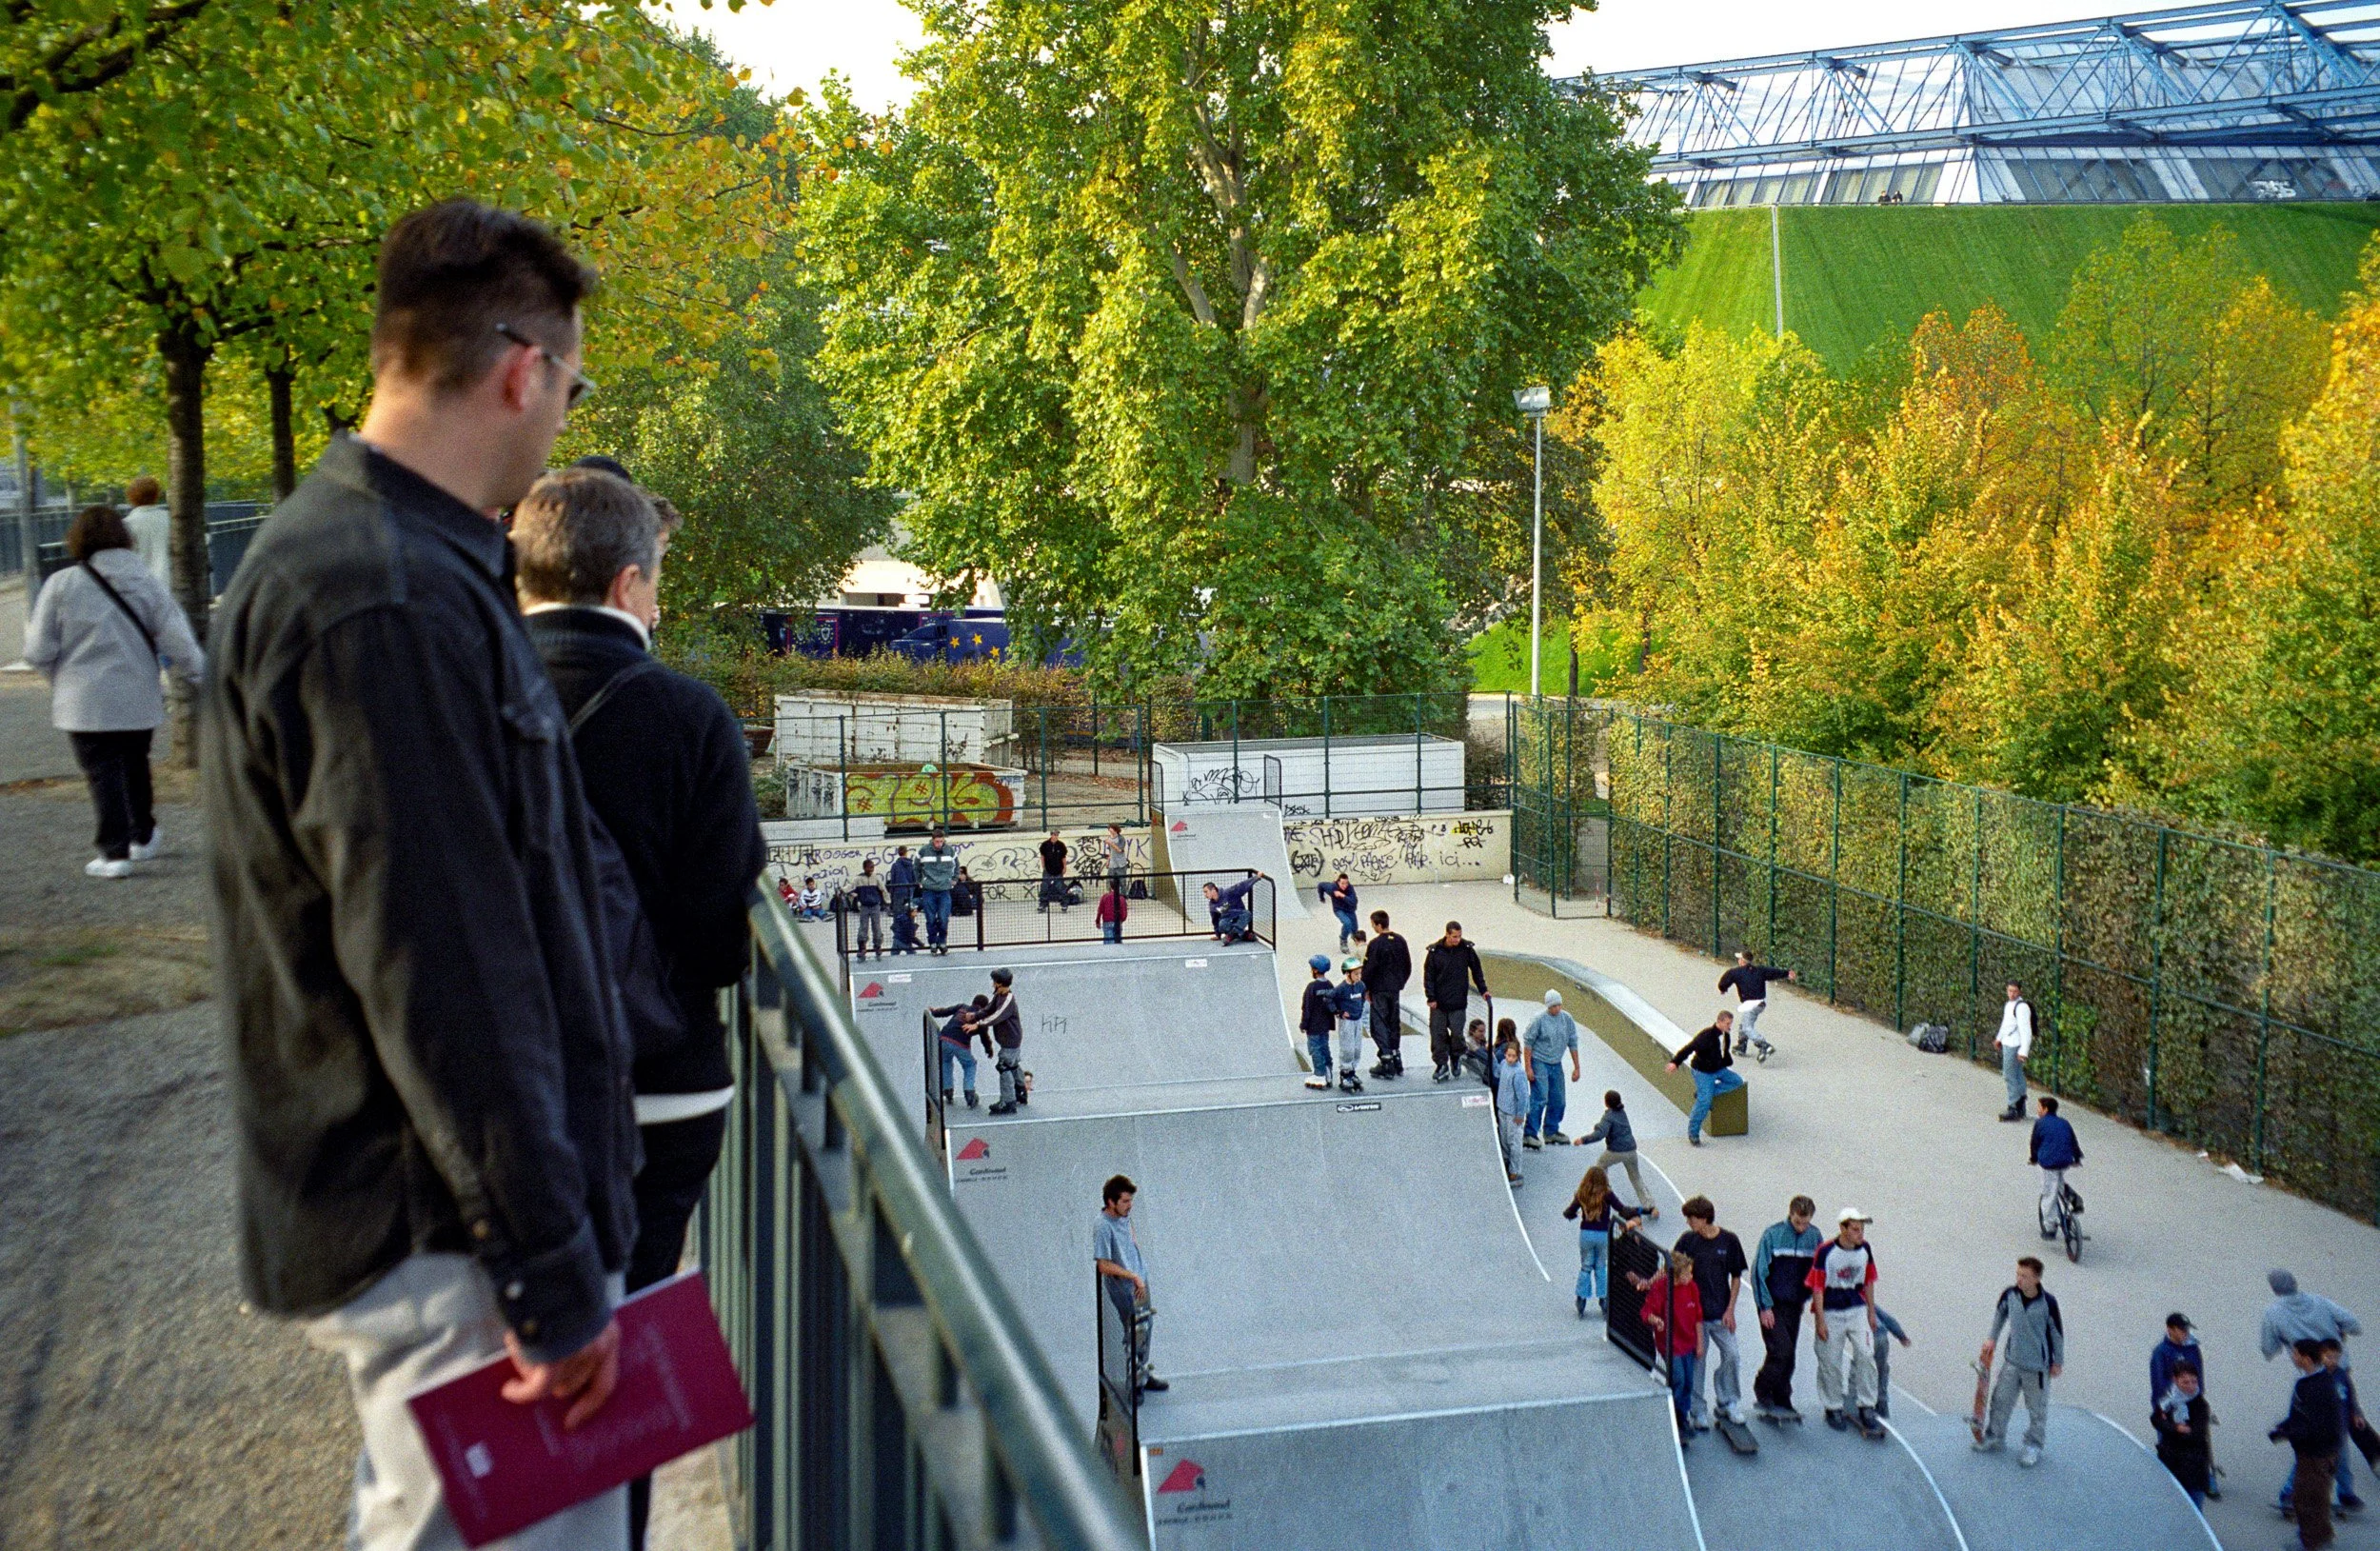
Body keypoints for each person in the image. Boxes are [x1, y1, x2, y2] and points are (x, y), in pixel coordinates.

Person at [202, 200, 634, 1550]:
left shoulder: (363, 560)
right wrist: (554, 1276)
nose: (560, 412)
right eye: (569, 383)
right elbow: (445, 964)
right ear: (522, 370)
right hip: (458, 1251)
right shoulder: (386, 600)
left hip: (445, 1227)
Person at [513, 464, 768, 1551]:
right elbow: (720, 942)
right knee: (615, 1348)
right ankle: (602, 1524)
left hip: (505, 1086)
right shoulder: (686, 716)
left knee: (510, 1342)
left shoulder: (458, 695)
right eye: (658, 585)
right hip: (659, 1089)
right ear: (627, 584)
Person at [26, 504, 206, 877]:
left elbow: (39, 651)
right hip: (137, 693)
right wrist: (200, 675)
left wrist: (58, 679)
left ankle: (114, 852)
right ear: (125, 538)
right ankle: (143, 835)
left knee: (101, 771)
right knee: (135, 765)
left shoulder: (62, 584)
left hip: (83, 700)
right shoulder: (147, 582)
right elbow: (176, 638)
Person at [2266, 1270, 2365, 1514]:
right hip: (2339, 1372)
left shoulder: (2273, 1313)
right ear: (2295, 1283)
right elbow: (2354, 1325)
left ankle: (2290, 1493)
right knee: (2336, 1430)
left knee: (2314, 1435)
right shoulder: (2321, 1302)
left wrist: (2288, 1341)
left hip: (2311, 1377)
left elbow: (2268, 1349)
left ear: (2275, 1290)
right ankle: (2346, 1492)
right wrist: (2335, 1336)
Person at [1975, 1256, 2065, 1465]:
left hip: (2037, 1368)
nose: (2019, 1279)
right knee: (2000, 1401)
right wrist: (1992, 1338)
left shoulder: (2048, 1303)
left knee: (2037, 1409)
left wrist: (2057, 1361)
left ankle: (2033, 1445)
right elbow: (2000, 1316)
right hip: (2012, 1361)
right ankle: (1995, 1437)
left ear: (2036, 1279)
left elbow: (2057, 1333)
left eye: (2024, 1276)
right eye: (2018, 1274)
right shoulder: (2010, 1295)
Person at [1672, 1197, 1749, 1430]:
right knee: (1698, 1363)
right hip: (1695, 1316)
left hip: (1720, 1314)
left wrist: (1730, 1310)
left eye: (1691, 1218)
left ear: (1704, 1218)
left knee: (1732, 1356)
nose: (1687, 1222)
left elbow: (1736, 1277)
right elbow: (1672, 1267)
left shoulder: (1729, 1240)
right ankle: (1698, 1411)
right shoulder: (1687, 1241)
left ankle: (1728, 1402)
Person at [1807, 1208, 1882, 1436]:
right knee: (1830, 1360)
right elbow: (1817, 1287)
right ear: (1843, 1229)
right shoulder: (1825, 1252)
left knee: (1866, 1354)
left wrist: (1871, 1312)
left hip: (1856, 1308)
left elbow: (1869, 1281)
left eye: (1862, 1229)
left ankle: (1867, 1404)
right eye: (1856, 1229)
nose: (1861, 1234)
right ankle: (1833, 1406)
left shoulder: (1865, 1249)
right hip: (1831, 1310)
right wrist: (1820, 1321)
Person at [1093, 1176, 1168, 1396]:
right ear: (1111, 1202)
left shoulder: (1124, 1216)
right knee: (1134, 1332)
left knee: (1145, 1328)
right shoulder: (1103, 1226)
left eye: (1130, 1200)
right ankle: (1133, 1383)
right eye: (1125, 1201)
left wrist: (1138, 1271)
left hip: (1139, 1282)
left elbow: (1130, 1235)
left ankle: (1143, 1375)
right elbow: (1104, 1266)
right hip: (1124, 1287)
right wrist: (1131, 1276)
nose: (1129, 1205)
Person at [1752, 1196, 1821, 1422]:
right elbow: (1758, 1272)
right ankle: (1762, 1389)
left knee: (1789, 1355)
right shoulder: (1772, 1235)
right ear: (1790, 1214)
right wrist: (1765, 1307)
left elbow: (1818, 1271)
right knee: (1781, 1350)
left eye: (1805, 1222)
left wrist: (1814, 1298)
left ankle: (1783, 1397)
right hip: (1773, 1304)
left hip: (1795, 1304)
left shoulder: (1814, 1236)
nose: (1801, 1227)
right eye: (1798, 1222)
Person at [2275, 1338, 2345, 1550]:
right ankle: (2323, 1536)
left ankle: (2311, 1543)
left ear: (2305, 1358)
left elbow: (2313, 1425)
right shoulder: (2319, 1381)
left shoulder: (2314, 1387)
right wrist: (2285, 1427)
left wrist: (2288, 1433)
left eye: (2295, 1354)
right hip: (2322, 1451)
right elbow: (2302, 1416)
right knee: (2319, 1496)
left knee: (2306, 1499)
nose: (2293, 1357)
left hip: (2315, 1454)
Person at [1640, 1249, 1707, 1440]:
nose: (1691, 1276)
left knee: (1688, 1381)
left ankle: (1681, 1416)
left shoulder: (1692, 1287)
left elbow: (1698, 1317)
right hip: (1671, 1344)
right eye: (1687, 1273)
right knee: (1678, 1379)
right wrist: (1656, 1320)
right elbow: (1647, 1312)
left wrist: (1700, 1343)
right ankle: (1675, 1418)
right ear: (1676, 1275)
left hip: (1688, 1343)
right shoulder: (1662, 1288)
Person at [1562, 1163, 1639, 1319]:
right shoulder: (1607, 1194)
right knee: (1601, 1266)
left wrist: (1574, 1214)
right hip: (1603, 1235)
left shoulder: (1581, 1194)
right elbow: (1622, 1210)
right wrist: (1638, 1212)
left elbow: (1568, 1212)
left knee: (1586, 1266)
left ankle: (1581, 1298)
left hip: (1586, 1234)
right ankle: (1603, 1299)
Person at [1422, 921, 1490, 1084]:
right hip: (1439, 1003)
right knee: (1438, 1034)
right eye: (1454, 937)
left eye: (1459, 936)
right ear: (1447, 934)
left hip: (1458, 1001)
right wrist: (1430, 997)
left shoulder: (1466, 950)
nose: (1457, 940)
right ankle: (1441, 1064)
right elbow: (1429, 976)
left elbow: (1476, 970)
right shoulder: (1435, 952)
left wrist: (1483, 989)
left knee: (1457, 1034)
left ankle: (1456, 1056)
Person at [1572, 1090, 1656, 1218]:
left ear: (1606, 1103)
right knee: (1636, 1177)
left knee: (1600, 1166)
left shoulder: (1608, 1116)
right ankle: (1650, 1205)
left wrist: (1583, 1140)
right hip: (1631, 1150)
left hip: (1616, 1150)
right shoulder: (1622, 1113)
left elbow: (1600, 1134)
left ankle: (1604, 1192)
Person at [1666, 1011, 1744, 1147]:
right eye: (1728, 1023)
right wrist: (1675, 1062)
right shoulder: (1705, 1036)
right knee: (1704, 1102)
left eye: (1731, 1023)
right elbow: (1688, 1049)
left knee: (1737, 1081)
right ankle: (1693, 1133)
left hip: (1718, 1068)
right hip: (1703, 1072)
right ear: (1719, 1021)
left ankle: (1705, 1093)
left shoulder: (1725, 1033)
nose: (1730, 1026)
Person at [1520, 988, 1581, 1145]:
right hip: (1539, 1061)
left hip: (1556, 1063)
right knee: (1540, 1097)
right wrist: (1528, 1067)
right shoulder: (1539, 1020)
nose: (1557, 1009)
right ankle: (1530, 1133)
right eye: (1553, 1006)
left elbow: (1572, 1042)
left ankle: (1551, 1130)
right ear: (1548, 1006)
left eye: (1559, 1005)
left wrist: (1577, 1067)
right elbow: (1528, 1043)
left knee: (1558, 1099)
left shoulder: (1567, 1019)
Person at [2155, 1360, 2213, 1509]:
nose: (2191, 1386)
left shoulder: (2200, 1404)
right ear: (2175, 1380)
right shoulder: (2168, 1400)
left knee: (2194, 1509)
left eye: (2194, 1381)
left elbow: (2196, 1433)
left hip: (2194, 1466)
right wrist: (2176, 1428)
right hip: (2172, 1463)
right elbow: (2156, 1420)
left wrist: (2171, 1428)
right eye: (2185, 1382)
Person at [1717, 950, 1797, 1058]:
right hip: (1760, 1004)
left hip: (1750, 1004)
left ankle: (1763, 1045)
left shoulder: (1735, 972)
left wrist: (1723, 989)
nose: (1738, 961)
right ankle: (1741, 1046)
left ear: (1742, 961)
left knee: (1747, 1027)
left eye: (1739, 959)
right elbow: (1774, 972)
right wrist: (1787, 973)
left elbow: (1724, 981)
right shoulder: (1760, 970)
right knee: (1744, 1022)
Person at [1363, 910, 1412, 1078]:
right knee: (1393, 1022)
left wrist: (1366, 989)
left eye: (1373, 925)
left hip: (1379, 989)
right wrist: (1400, 983)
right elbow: (1407, 965)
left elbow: (1369, 969)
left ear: (1378, 924)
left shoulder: (1375, 944)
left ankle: (1386, 1061)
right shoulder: (1400, 941)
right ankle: (1396, 1055)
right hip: (1394, 989)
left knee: (1379, 1024)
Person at [2030, 1096, 2083, 1231]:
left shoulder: (2040, 1123)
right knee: (2057, 1182)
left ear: (2045, 1109)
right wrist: (2076, 1158)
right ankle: (2071, 1197)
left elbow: (2034, 1143)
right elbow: (2073, 1141)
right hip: (2065, 1160)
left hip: (2048, 1162)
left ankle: (2050, 1226)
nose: (2037, 1110)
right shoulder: (2064, 1122)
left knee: (2048, 1193)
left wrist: (2034, 1158)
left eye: (2039, 1107)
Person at [929, 994, 989, 1108]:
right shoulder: (980, 1019)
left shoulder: (962, 1007)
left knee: (945, 1062)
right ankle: (969, 1093)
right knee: (970, 1065)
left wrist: (934, 1012)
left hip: (944, 1038)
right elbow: (984, 1036)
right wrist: (988, 1049)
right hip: (960, 1043)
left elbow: (946, 1011)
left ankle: (948, 1090)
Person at [982, 968, 1026, 1114]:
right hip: (1008, 1039)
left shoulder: (1008, 999)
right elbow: (988, 1009)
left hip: (1011, 1040)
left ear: (1000, 983)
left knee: (1004, 1066)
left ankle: (1008, 1101)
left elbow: (996, 1016)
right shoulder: (998, 996)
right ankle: (1021, 1091)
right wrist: (974, 1016)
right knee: (1012, 1064)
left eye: (994, 981)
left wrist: (978, 1024)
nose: (992, 984)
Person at [1493, 1028, 1529, 1187]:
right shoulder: (1503, 1064)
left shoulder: (1519, 1073)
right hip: (1502, 1109)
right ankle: (1507, 1164)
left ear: (1518, 1056)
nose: (1510, 1058)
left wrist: (1520, 1114)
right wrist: (1492, 1057)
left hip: (1514, 1113)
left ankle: (1515, 1171)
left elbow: (1523, 1096)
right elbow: (1497, 1073)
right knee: (1504, 1139)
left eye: (1513, 1056)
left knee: (1514, 1142)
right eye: (1508, 1055)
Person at [1995, 981, 2035, 1121]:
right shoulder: (2009, 1005)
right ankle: (2020, 1105)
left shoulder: (2021, 1007)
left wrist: (2024, 1051)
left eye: (2015, 991)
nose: (2011, 994)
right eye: (2009, 991)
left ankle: (2013, 1106)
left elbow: (2026, 1031)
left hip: (2014, 1045)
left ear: (2020, 992)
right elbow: (2006, 1024)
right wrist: (1999, 1038)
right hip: (2008, 1042)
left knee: (2009, 1075)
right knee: (2017, 1074)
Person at [120, 474, 171, 583]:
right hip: (173, 583)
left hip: (143, 585)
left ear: (130, 497)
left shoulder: (126, 524)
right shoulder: (171, 519)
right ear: (157, 495)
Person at [1300, 955, 1339, 1089]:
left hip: (1313, 1025)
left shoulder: (1312, 987)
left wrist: (1304, 1024)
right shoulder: (1329, 985)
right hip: (1325, 1025)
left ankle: (1319, 1074)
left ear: (1315, 970)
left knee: (1314, 1049)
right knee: (1324, 1048)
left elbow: (1307, 1007)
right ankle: (1328, 1071)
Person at [917, 830, 959, 952]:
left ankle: (942, 942)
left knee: (943, 918)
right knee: (930, 918)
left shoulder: (950, 851)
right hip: (928, 890)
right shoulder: (923, 851)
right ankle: (933, 942)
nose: (939, 844)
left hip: (944, 890)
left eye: (941, 841)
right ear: (932, 840)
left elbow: (956, 865)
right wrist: (920, 881)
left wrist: (954, 879)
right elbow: (916, 866)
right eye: (937, 841)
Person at [1333, 958, 1369, 1094]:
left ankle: (1352, 1072)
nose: (1359, 977)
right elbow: (1329, 999)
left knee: (1356, 1048)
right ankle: (1345, 1074)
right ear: (1347, 974)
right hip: (1347, 1022)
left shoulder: (1361, 985)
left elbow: (1363, 997)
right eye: (1356, 974)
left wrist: (1360, 1010)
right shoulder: (1341, 988)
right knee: (1347, 1048)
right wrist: (1339, 1012)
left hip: (1357, 1020)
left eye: (1360, 973)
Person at [1871, 1302, 1912, 1418]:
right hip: (1881, 1336)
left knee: (1863, 1369)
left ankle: (1863, 1403)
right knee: (1882, 1370)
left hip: (1868, 1337)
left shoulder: (1849, 1304)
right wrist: (1901, 1336)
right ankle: (1882, 1404)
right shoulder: (1867, 1301)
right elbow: (1888, 1319)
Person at [849, 859, 888, 958]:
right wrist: (843, 890)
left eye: (873, 867)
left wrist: (888, 902)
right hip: (864, 906)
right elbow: (851, 886)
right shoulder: (859, 879)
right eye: (869, 867)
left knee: (877, 927)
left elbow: (883, 889)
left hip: (875, 906)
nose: (872, 869)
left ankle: (877, 945)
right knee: (863, 927)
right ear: (864, 868)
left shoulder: (876, 878)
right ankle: (862, 947)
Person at [1202, 875, 1260, 942]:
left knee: (1247, 914)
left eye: (1206, 892)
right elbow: (1215, 920)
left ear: (1213, 890)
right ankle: (1243, 934)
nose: (1205, 895)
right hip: (1227, 920)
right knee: (1221, 924)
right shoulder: (1212, 905)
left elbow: (1243, 886)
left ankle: (1231, 935)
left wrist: (1256, 877)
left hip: (1239, 915)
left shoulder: (1228, 892)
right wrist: (1218, 935)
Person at [1038, 829, 1071, 912]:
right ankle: (1043, 904)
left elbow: (1063, 857)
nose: (1056, 836)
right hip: (1048, 870)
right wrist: (1043, 866)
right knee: (1044, 887)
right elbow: (1042, 856)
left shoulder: (1061, 845)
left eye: (1057, 835)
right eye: (1054, 834)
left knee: (1061, 887)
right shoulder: (1045, 845)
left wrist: (1064, 867)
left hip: (1058, 870)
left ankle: (1064, 904)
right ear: (1051, 835)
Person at [1323, 872, 1359, 948]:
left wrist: (1342, 895)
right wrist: (1321, 897)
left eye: (1346, 883)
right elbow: (1321, 885)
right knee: (1347, 923)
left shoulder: (1350, 888)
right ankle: (1343, 940)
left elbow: (1353, 902)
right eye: (1342, 883)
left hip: (1350, 909)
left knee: (1355, 928)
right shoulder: (1332, 888)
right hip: (1339, 910)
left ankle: (1354, 936)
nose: (1345, 886)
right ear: (1338, 882)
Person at [1097, 878, 1129, 944]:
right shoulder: (1121, 898)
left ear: (1110, 886)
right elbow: (1124, 913)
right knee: (1118, 940)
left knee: (1109, 942)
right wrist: (1122, 919)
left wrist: (1098, 921)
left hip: (1107, 921)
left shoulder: (1105, 897)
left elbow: (1100, 910)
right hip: (1117, 922)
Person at [888, 843, 919, 911]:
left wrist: (892, 893)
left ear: (898, 853)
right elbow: (914, 879)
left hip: (898, 891)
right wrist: (912, 889)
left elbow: (893, 880)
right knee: (908, 911)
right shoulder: (911, 865)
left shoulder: (895, 865)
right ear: (906, 852)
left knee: (898, 912)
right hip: (909, 890)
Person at [1101, 823, 1130, 890]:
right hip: (1112, 864)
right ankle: (1110, 895)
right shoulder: (1109, 838)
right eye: (1109, 831)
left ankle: (1123, 896)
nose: (1111, 832)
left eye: (1112, 830)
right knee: (1109, 881)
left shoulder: (1121, 838)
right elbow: (1111, 852)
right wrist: (1108, 861)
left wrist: (1110, 843)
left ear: (1116, 830)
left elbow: (1119, 850)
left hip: (1121, 864)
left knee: (1122, 882)